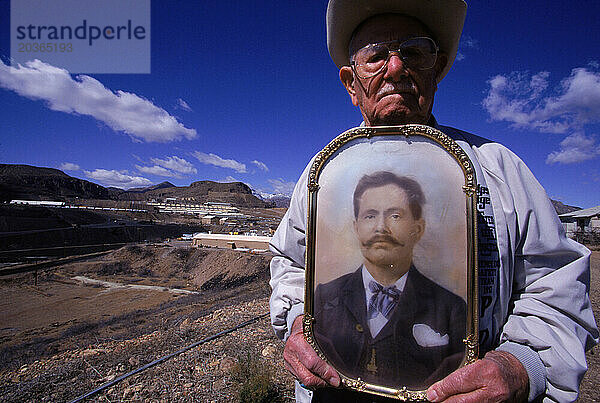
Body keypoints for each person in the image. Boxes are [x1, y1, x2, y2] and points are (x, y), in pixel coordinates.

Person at [269, 0, 598, 402]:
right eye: (375, 56)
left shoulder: (499, 169)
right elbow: (290, 262)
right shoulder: (322, 174)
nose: (395, 68)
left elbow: (557, 287)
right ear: (351, 84)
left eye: (414, 52)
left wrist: (519, 365)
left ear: (436, 69)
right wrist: (298, 322)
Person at [313, 171, 466, 395]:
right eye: (370, 216)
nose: (381, 228)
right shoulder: (324, 296)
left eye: (395, 216)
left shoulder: (452, 309)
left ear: (418, 228)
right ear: (356, 227)